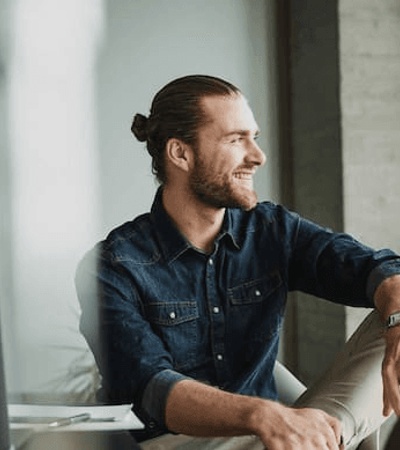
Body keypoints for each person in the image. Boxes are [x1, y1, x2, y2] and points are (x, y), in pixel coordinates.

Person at [75, 75, 400, 450]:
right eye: (235, 139)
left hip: (272, 437)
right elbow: (153, 388)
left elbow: (376, 268)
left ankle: (324, 438)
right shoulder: (112, 265)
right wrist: (264, 415)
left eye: (255, 137)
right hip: (169, 442)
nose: (257, 156)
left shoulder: (272, 230)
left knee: (392, 306)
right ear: (180, 153)